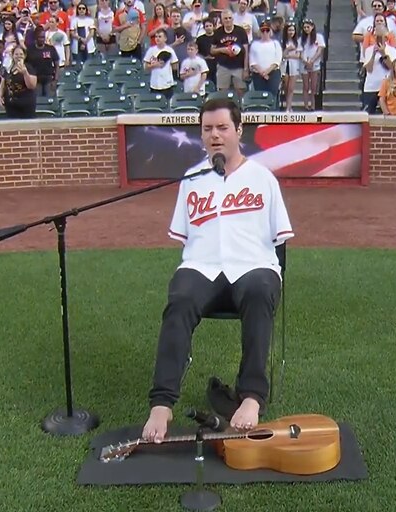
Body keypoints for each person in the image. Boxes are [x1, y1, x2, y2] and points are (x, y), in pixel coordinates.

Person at [141, 98, 294, 443]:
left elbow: (278, 237)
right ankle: (161, 403)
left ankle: (251, 396)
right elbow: (183, 237)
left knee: (258, 290)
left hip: (253, 264)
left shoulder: (263, 178)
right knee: (179, 299)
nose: (214, 135)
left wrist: (261, 262)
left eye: (222, 127)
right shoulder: (192, 179)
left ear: (239, 131)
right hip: (202, 266)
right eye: (207, 129)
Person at [0, 44, 38, 118]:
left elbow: (32, 86)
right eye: (16, 54)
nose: (19, 56)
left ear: (24, 56)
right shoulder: (9, 68)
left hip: (26, 105)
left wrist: (25, 73)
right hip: (11, 106)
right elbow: (3, 84)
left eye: (21, 54)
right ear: (12, 55)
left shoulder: (29, 68)